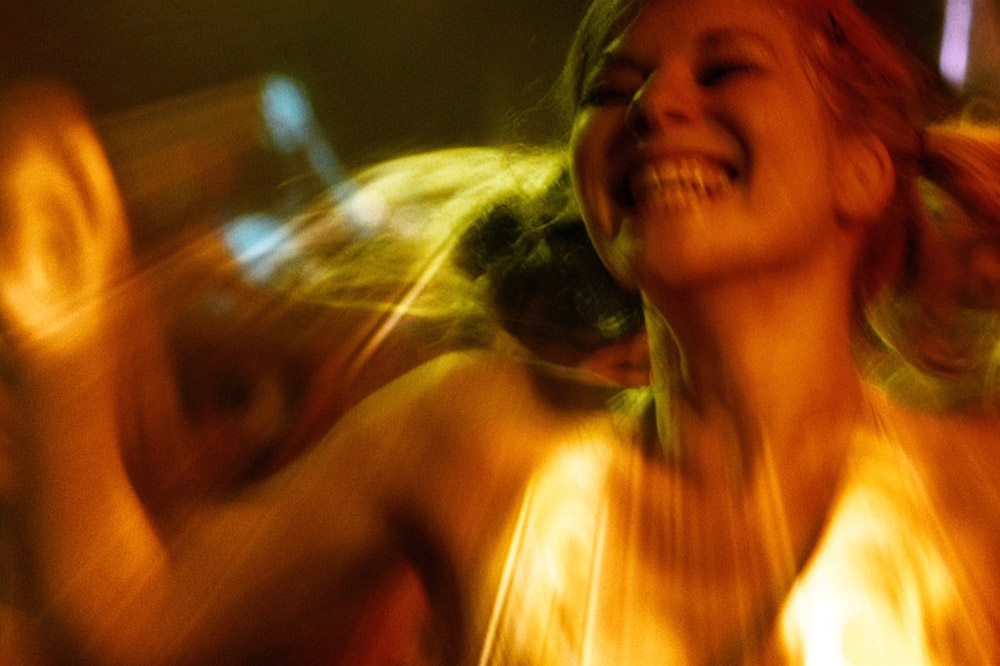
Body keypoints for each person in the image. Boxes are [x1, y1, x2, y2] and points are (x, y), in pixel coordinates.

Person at [3, 0, 1000, 664]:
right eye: (611, 88)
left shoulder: (976, 486)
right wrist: (64, 350)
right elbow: (134, 621)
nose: (654, 105)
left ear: (862, 170)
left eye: (725, 68)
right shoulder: (474, 440)